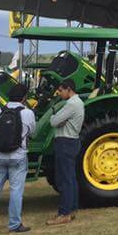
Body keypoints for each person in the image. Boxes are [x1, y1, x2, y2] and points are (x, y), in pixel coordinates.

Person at [0, 83, 35, 233]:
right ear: (24, 97)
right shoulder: (27, 113)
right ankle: (14, 224)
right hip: (18, 156)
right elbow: (32, 132)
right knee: (16, 191)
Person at [47, 79, 84, 226]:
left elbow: (53, 122)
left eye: (61, 91)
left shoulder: (71, 104)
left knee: (64, 179)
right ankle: (72, 209)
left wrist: (54, 118)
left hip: (65, 142)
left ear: (68, 89)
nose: (59, 94)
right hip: (72, 141)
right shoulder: (78, 103)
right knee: (71, 178)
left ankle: (64, 213)